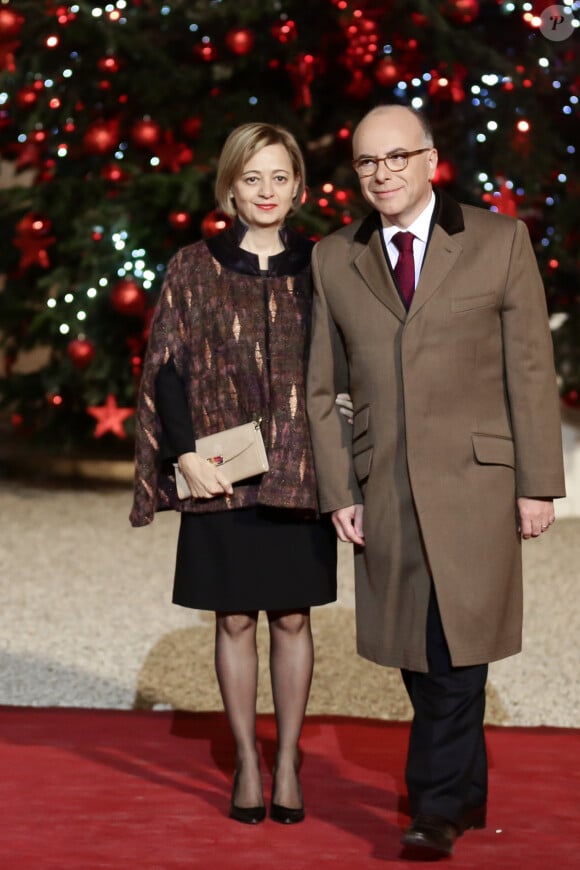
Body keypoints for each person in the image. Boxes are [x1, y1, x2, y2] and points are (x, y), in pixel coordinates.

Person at [306, 104, 565, 860]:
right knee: (417, 652)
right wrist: (338, 491)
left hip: (476, 481)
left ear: (429, 160)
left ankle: (436, 809)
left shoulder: (498, 240)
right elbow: (321, 389)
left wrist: (538, 483)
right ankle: (464, 791)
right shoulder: (333, 258)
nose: (381, 174)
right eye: (366, 163)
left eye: (395, 158)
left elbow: (528, 368)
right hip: (381, 481)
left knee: (458, 647)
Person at [130, 122, 337, 826]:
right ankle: (248, 760)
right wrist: (182, 455)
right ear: (230, 186)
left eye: (280, 177)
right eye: (253, 178)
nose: (267, 191)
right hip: (220, 473)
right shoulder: (193, 265)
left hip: (300, 472)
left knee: (292, 617)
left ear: (300, 187)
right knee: (235, 620)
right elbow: (166, 365)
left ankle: (288, 763)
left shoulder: (324, 264)